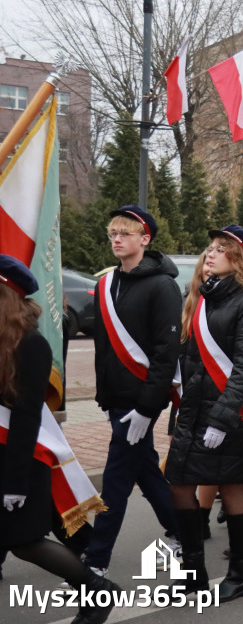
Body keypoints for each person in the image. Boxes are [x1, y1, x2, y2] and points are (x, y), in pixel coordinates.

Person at [0, 256, 121, 624]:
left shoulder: (30, 345)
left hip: (21, 457)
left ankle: (96, 589)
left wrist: (15, 482)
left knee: (25, 542)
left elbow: (25, 417)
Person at [164, 225, 243, 601]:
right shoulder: (201, 297)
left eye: (220, 249)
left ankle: (239, 574)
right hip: (194, 409)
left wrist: (222, 418)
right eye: (209, 247)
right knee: (179, 483)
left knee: (230, 488)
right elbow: (188, 355)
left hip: (228, 413)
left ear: (239, 259)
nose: (210, 254)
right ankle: (194, 570)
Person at [84, 206, 180, 578]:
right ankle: (183, 529)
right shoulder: (106, 284)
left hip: (141, 399)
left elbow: (164, 352)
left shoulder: (162, 286)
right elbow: (103, 346)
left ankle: (95, 559)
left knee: (116, 479)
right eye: (113, 234)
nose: (117, 239)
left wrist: (145, 407)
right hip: (116, 397)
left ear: (145, 239)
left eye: (125, 233)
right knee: (144, 468)